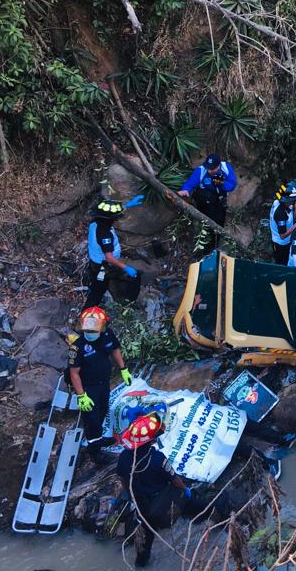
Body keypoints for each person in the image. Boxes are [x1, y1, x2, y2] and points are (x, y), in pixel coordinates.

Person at [116, 412, 192, 568]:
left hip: (141, 507)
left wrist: (129, 494)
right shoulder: (157, 458)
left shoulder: (124, 457)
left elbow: (123, 479)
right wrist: (186, 489)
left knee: (144, 543)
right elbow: (175, 480)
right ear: (151, 440)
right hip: (162, 501)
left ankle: (140, 564)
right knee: (193, 504)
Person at [67, 307, 132, 466]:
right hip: (88, 388)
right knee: (92, 419)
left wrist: (123, 369)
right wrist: (81, 395)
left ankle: (99, 439)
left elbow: (115, 350)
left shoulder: (107, 335)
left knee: (102, 411)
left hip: (104, 383)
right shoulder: (78, 347)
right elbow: (74, 373)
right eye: (87, 329)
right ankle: (95, 452)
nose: (90, 332)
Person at [84, 197, 143, 310]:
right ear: (110, 220)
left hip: (95, 263)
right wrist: (126, 268)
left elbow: (108, 212)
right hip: (103, 267)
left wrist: (128, 204)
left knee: (98, 285)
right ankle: (128, 303)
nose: (116, 220)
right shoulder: (105, 234)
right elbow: (109, 257)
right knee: (98, 291)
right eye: (115, 218)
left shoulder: (95, 222)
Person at [179, 154, 237, 253]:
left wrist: (221, 183)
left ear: (218, 165)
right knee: (206, 223)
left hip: (219, 200)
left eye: (212, 169)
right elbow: (190, 183)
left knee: (219, 222)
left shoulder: (226, 168)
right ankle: (205, 246)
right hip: (204, 201)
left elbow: (232, 185)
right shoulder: (201, 170)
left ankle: (216, 243)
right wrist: (185, 190)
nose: (209, 171)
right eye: (208, 168)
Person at [269, 181, 296, 265]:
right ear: (286, 200)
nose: (294, 202)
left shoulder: (278, 202)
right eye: (293, 200)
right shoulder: (280, 214)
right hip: (281, 244)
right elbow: (282, 235)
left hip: (284, 240)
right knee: (282, 263)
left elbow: (290, 209)